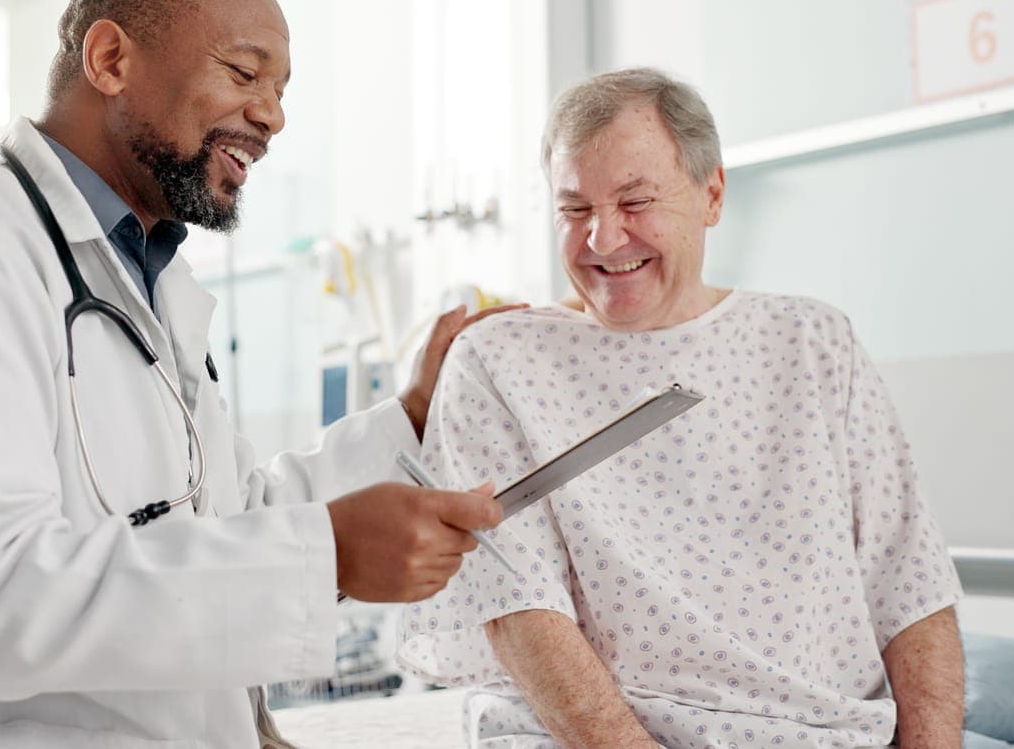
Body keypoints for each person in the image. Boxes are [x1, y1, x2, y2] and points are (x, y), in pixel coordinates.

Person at [0, 0, 510, 748]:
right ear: (110, 58)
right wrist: (327, 557)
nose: (272, 115)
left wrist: (408, 416)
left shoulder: (147, 275)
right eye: (244, 72)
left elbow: (220, 521)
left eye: (280, 89)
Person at [398, 68, 965, 748]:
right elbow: (516, 605)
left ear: (712, 195)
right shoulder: (498, 360)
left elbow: (909, 582)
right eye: (574, 209)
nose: (604, 239)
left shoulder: (812, 341)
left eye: (634, 202)